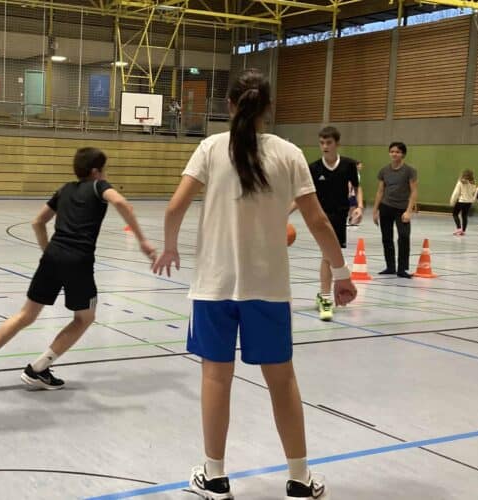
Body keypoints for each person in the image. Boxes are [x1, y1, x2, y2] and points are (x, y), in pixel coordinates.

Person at [151, 69, 355, 500]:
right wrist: (341, 274)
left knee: (215, 378)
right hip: (269, 290)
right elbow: (318, 221)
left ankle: (215, 477)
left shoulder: (210, 148)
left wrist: (169, 247)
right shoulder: (289, 154)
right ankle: (299, 479)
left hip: (214, 288)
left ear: (229, 105)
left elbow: (174, 208)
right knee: (282, 381)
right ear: (269, 108)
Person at [0, 148, 155, 391]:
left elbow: (38, 222)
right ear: (96, 171)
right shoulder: (99, 186)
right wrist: (143, 240)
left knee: (26, 315)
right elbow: (123, 203)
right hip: (78, 261)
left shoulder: (65, 189)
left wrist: (47, 250)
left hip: (53, 256)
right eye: (104, 170)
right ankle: (39, 369)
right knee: (84, 318)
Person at [305, 126, 360, 322]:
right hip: (320, 217)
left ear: (337, 143)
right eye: (321, 143)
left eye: (328, 142)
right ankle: (325, 297)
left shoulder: (348, 165)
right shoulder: (313, 168)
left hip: (340, 216)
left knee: (329, 256)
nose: (325, 146)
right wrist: (285, 212)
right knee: (327, 256)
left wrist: (359, 207)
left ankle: (325, 295)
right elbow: (304, 195)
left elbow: (357, 187)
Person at [372, 142, 418, 278]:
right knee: (387, 238)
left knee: (404, 236)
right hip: (386, 207)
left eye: (397, 152)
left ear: (403, 154)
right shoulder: (384, 170)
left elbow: (414, 191)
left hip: (402, 209)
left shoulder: (410, 171)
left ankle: (402, 269)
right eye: (392, 151)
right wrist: (375, 210)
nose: (394, 154)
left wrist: (409, 211)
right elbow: (380, 191)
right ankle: (390, 267)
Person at [449, 169, 477, 236]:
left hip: (461, 201)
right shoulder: (473, 182)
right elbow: (474, 192)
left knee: (455, 214)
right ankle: (463, 231)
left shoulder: (460, 182)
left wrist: (452, 201)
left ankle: (459, 229)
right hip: (469, 201)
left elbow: (456, 192)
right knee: (464, 216)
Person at [347, 162, 364, 226]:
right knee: (351, 207)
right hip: (352, 193)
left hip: (355, 194)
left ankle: (352, 220)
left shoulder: (358, 174)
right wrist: (349, 192)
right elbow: (350, 183)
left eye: (361, 166)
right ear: (356, 166)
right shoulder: (353, 174)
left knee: (353, 207)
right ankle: (350, 219)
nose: (360, 167)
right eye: (359, 166)